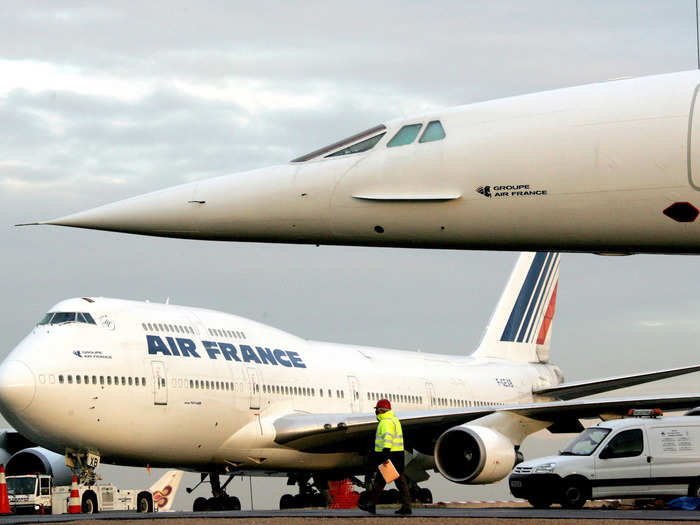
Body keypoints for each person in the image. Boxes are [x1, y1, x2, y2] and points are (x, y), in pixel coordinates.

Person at [358, 398, 412, 515]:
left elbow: (387, 438)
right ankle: (405, 506)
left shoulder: (385, 422)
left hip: (389, 454)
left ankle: (372, 504)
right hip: (397, 454)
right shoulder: (394, 420)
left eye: (377, 410)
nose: (376, 412)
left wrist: (384, 454)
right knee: (393, 481)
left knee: (385, 481)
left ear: (381, 410)